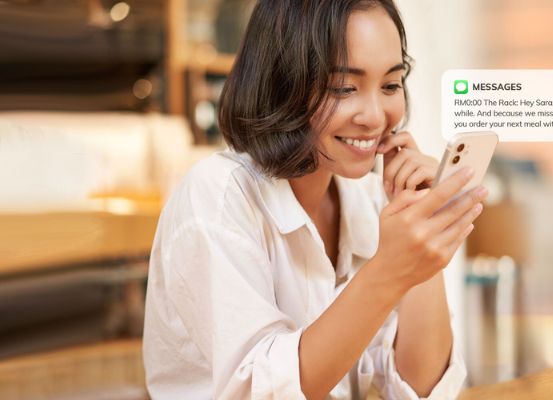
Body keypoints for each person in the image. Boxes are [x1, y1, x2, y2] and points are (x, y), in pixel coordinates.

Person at [142, 0, 487, 398]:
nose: (375, 116)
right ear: (282, 81)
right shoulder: (218, 199)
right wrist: (389, 271)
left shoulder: (368, 199)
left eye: (391, 84)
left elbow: (421, 388)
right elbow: (262, 391)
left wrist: (423, 250)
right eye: (344, 87)